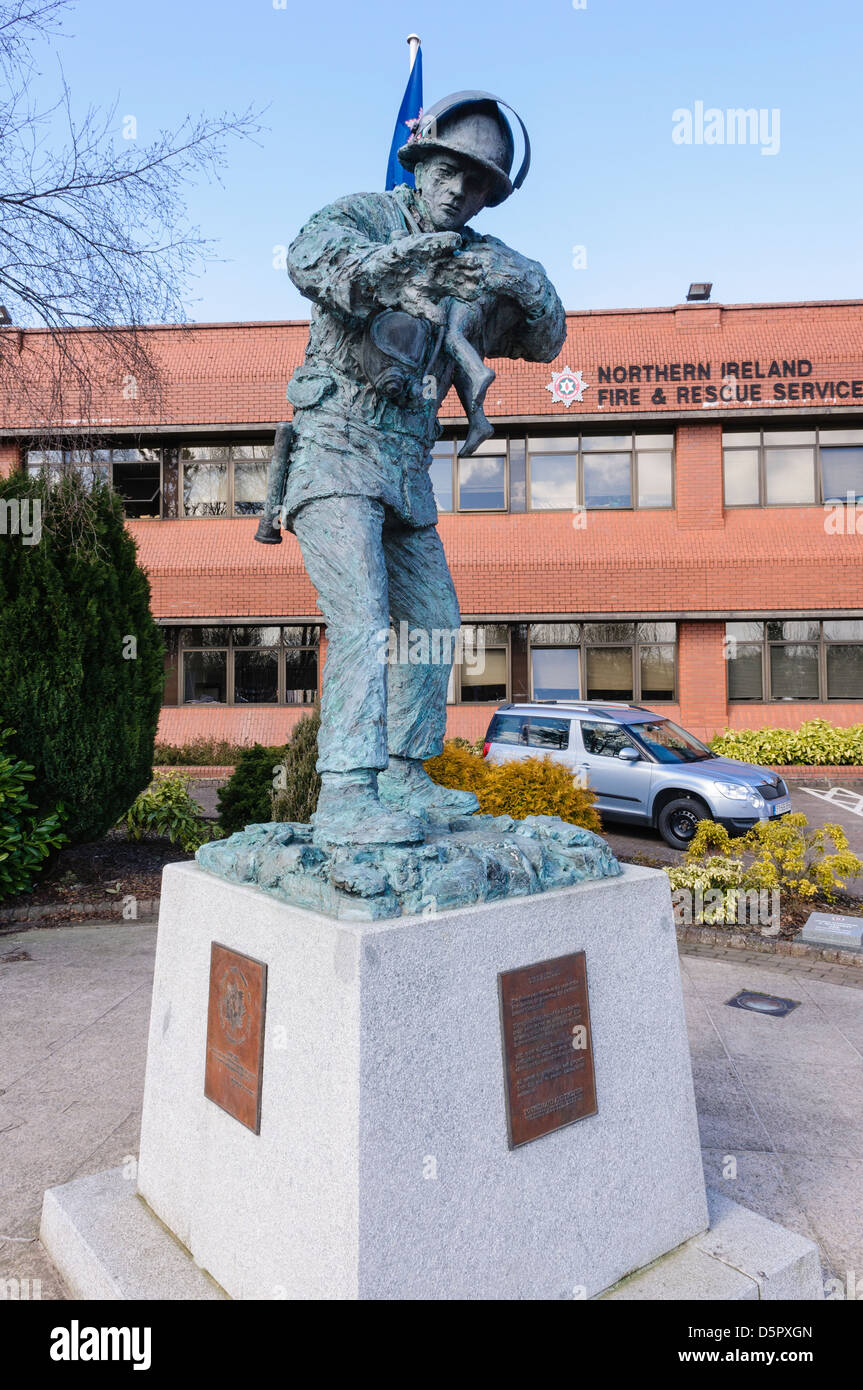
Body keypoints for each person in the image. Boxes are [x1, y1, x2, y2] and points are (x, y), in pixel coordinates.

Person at [282, 91, 566, 846]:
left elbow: (544, 340)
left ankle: (406, 770)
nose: (457, 192)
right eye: (447, 172)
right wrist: (406, 262)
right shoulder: (363, 217)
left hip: (404, 465)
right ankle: (346, 788)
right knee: (363, 621)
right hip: (335, 443)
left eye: (475, 185)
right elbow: (313, 262)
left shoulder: (476, 263)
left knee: (433, 622)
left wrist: (524, 276)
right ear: (420, 163)